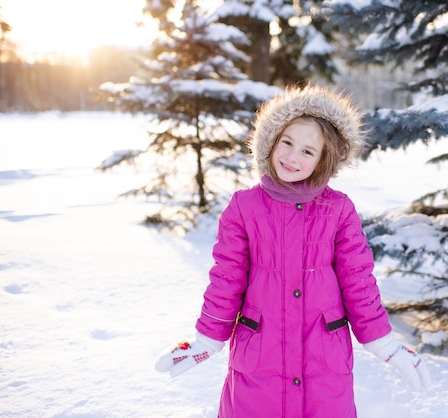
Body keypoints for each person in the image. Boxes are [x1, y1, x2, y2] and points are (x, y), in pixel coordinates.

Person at [155, 84, 431, 417]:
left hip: (324, 361)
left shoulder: (338, 210)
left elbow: (358, 281)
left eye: (307, 151)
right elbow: (226, 279)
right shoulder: (244, 207)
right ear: (270, 142)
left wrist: (383, 342)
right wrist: (207, 340)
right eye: (287, 143)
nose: (292, 157)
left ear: (323, 160)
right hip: (259, 359)